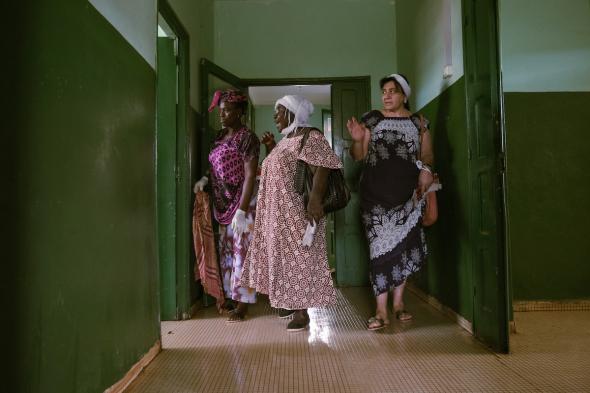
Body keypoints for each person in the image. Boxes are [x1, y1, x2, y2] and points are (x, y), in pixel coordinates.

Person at [240, 95, 342, 332]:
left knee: (300, 258)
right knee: (282, 259)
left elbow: (324, 166)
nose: (275, 117)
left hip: (295, 213)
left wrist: (315, 201)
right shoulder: (287, 139)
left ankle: (301, 312)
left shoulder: (311, 136)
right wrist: (269, 147)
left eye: (279, 111)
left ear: (292, 112)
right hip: (276, 215)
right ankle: (288, 301)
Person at [347, 73, 434, 331]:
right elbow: (358, 155)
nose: (386, 95)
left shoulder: (420, 122)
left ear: (404, 95)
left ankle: (398, 304)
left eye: (392, 91)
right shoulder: (372, 120)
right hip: (375, 198)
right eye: (384, 91)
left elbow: (427, 152)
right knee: (379, 251)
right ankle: (381, 310)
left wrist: (426, 168)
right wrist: (356, 139)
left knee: (402, 248)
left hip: (408, 196)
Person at [194, 89, 260, 322]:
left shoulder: (247, 138)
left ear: (240, 112)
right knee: (228, 253)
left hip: (244, 201)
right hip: (222, 204)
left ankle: (243, 305)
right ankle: (231, 297)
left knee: (243, 252)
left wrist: (242, 210)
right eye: (220, 111)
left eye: (228, 110)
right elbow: (213, 167)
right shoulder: (219, 136)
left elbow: (251, 174)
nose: (222, 115)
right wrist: (204, 179)